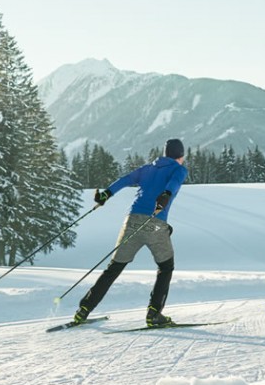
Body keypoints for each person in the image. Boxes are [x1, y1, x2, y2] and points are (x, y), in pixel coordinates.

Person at [74, 139, 189, 327]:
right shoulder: (179, 169)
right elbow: (174, 183)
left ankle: (83, 310)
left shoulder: (148, 168)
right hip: (154, 223)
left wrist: (105, 195)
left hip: (131, 221)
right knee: (166, 267)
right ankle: (154, 314)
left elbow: (125, 180)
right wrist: (166, 194)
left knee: (113, 268)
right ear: (180, 156)